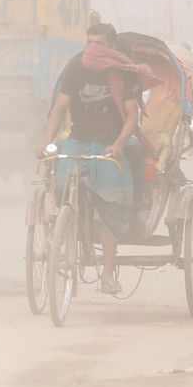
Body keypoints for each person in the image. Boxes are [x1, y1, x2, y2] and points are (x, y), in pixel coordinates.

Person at [41, 23, 146, 295]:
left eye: (98, 43)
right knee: (57, 184)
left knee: (111, 210)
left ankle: (108, 275)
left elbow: (132, 115)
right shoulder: (76, 69)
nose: (92, 49)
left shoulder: (124, 74)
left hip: (109, 146)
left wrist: (120, 144)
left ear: (112, 46)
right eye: (88, 42)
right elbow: (59, 108)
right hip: (77, 141)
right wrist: (48, 141)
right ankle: (62, 229)